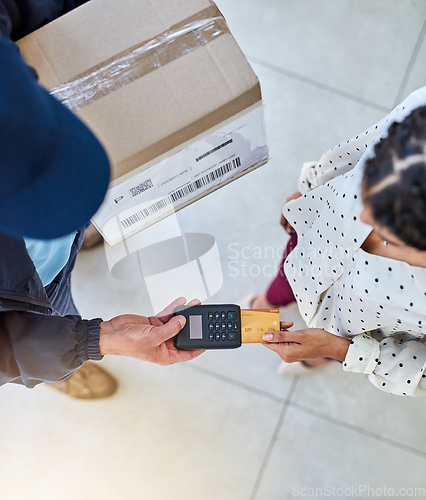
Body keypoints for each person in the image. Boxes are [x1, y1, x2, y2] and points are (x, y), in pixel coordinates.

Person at [0, 0, 203, 397]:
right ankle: (64, 369)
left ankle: (74, 236)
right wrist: (91, 340)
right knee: (50, 314)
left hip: (44, 262)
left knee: (60, 280)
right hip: (17, 294)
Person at [249, 87, 426, 396]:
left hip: (352, 325)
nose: (363, 220)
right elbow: (355, 152)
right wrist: (309, 190)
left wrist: (342, 350)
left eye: (386, 232)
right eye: (366, 188)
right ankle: (266, 303)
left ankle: (316, 359)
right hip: (314, 245)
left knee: (324, 345)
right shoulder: (420, 116)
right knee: (284, 278)